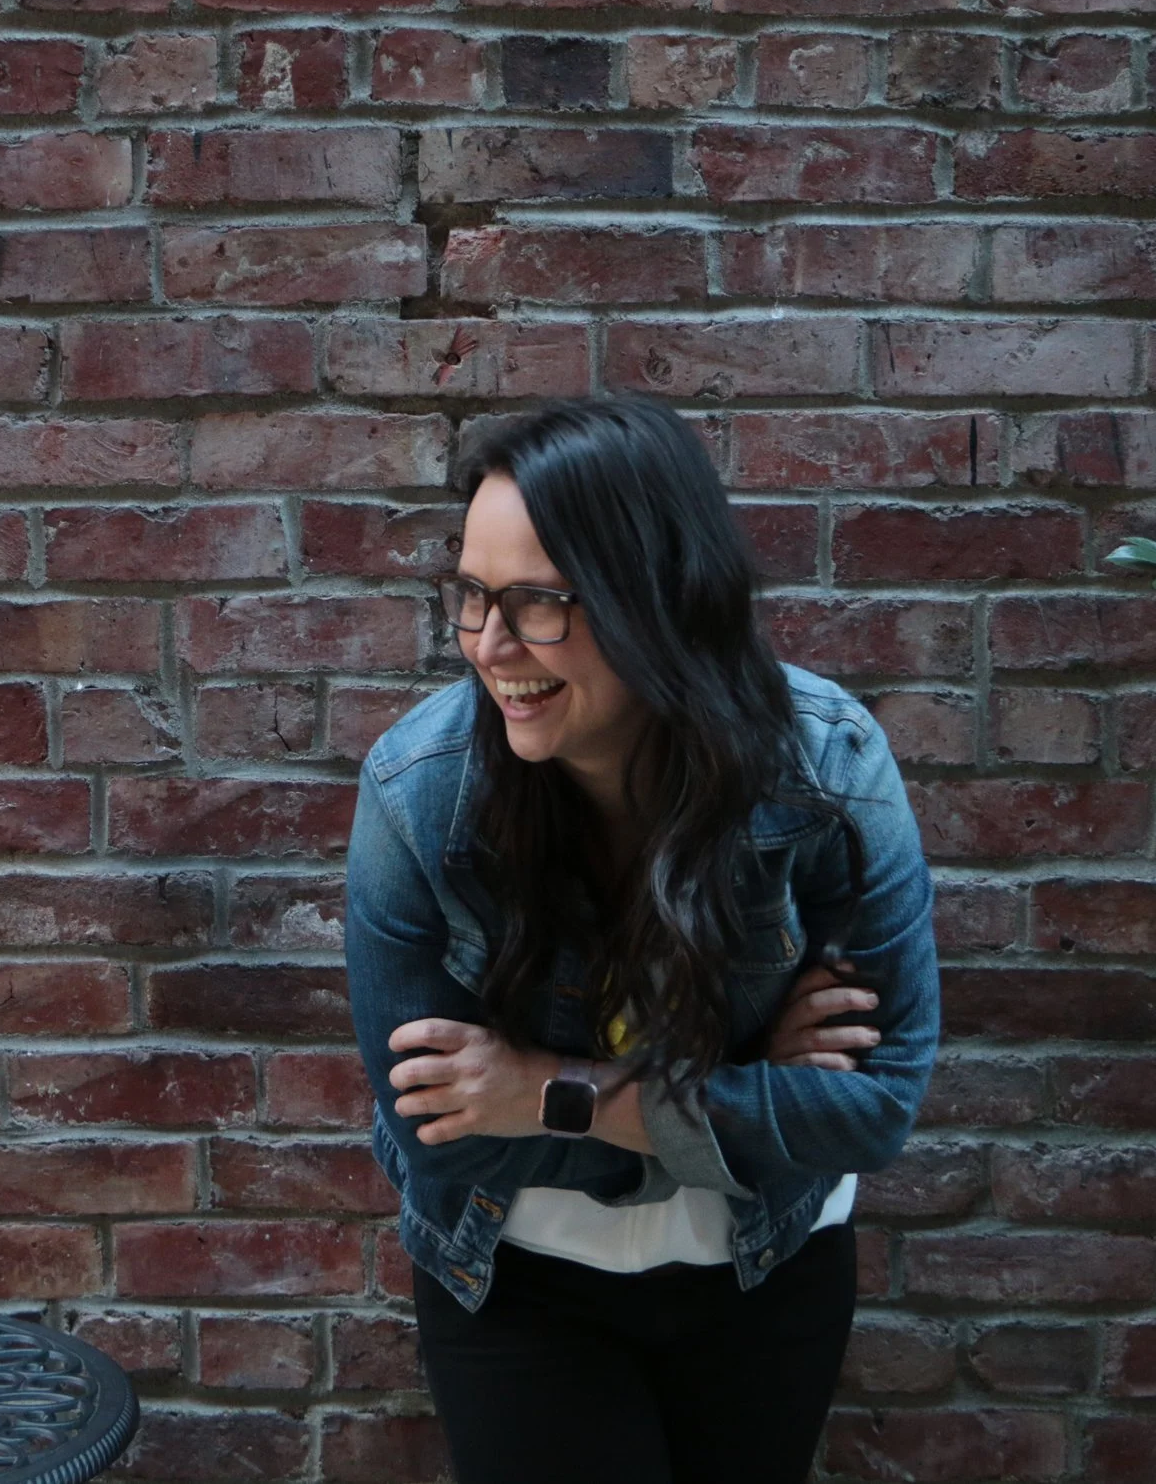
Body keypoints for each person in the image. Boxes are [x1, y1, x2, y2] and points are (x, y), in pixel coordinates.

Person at [343, 395, 939, 1484]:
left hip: (764, 1269)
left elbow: (872, 1106)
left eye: (534, 601)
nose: (488, 643)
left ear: (654, 599)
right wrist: (749, 1086)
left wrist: (552, 1090)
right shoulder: (416, 794)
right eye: (470, 593)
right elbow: (437, 1128)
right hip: (515, 1275)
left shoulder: (827, 769)